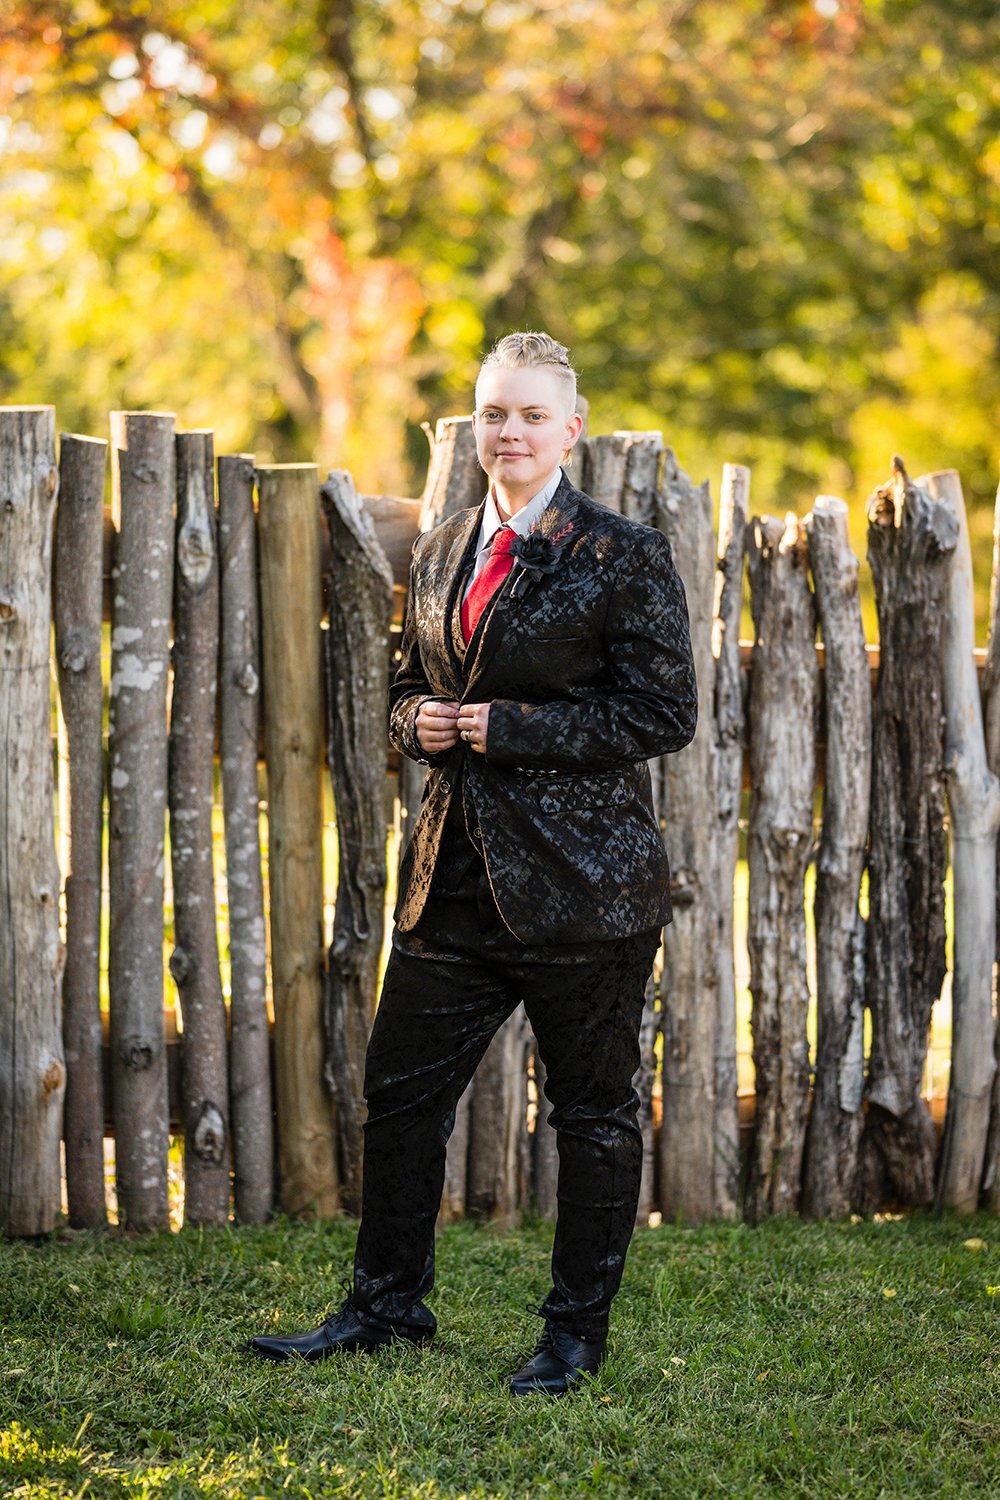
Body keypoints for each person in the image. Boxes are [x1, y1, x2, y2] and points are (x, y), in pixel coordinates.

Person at [247, 331, 697, 1395]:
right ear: (477, 424)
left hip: (583, 893)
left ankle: (572, 1338)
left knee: (590, 1116)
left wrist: (506, 728)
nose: (511, 432)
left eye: (533, 414)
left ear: (570, 430)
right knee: (398, 1097)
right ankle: (385, 1307)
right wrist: (419, 722)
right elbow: (406, 686)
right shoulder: (445, 542)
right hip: (449, 880)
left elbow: (662, 712)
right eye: (495, 412)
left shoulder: (621, 552)